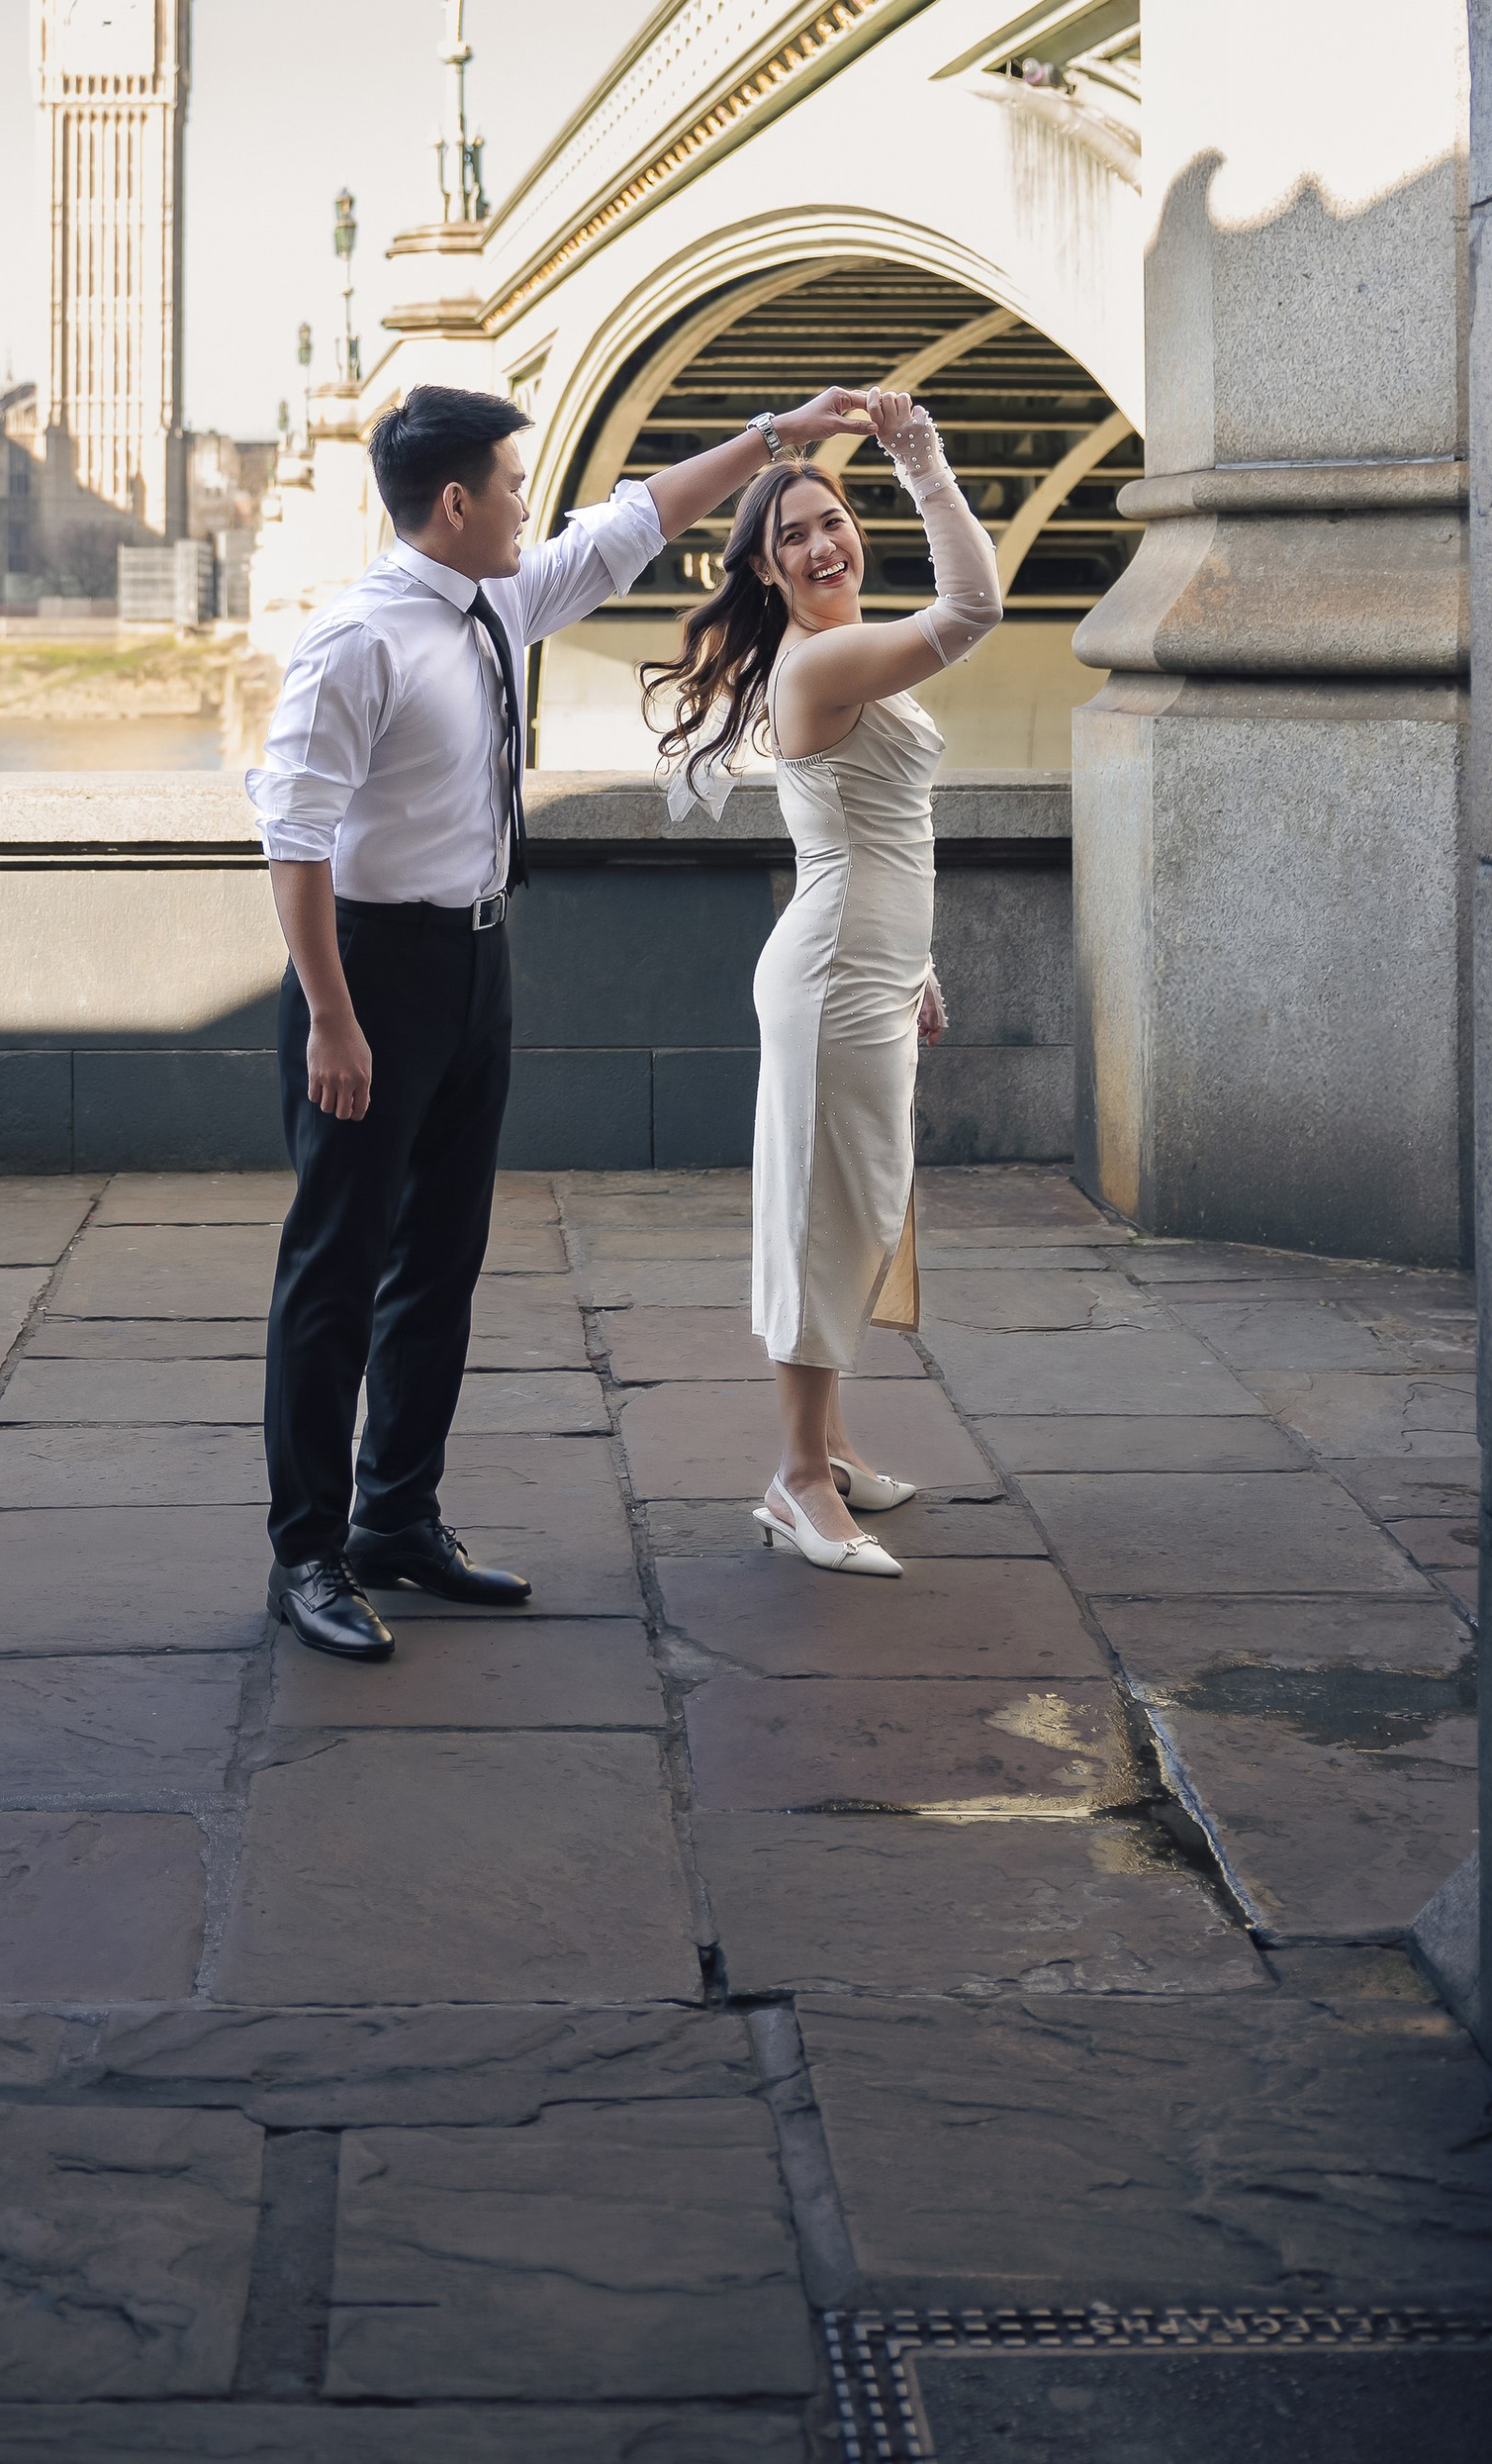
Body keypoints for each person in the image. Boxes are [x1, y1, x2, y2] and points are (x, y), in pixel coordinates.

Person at [247, 376, 881, 1658]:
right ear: (458, 500)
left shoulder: (493, 599)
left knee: (440, 1261)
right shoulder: (357, 638)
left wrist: (775, 433)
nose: (536, 504)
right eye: (517, 484)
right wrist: (331, 1017)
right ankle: (308, 1554)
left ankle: (396, 1522)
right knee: (334, 1274)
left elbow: (631, 523)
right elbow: (294, 838)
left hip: (477, 964)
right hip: (368, 975)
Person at [644, 388, 1001, 1576]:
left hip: (864, 959)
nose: (822, 541)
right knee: (822, 1214)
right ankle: (796, 1483)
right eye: (792, 533)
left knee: (854, 1203)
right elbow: (978, 605)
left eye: (832, 517)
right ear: (763, 571)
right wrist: (919, 457)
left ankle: (832, 1444)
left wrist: (920, 963)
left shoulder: (845, 654)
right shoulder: (822, 664)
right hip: (833, 968)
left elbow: (870, 829)